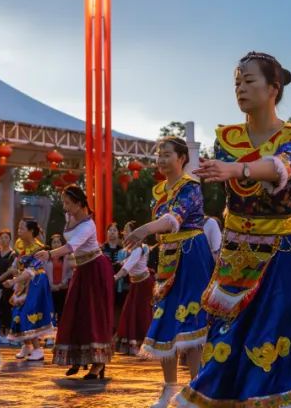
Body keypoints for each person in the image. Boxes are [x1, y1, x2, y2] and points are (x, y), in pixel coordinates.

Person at [186, 51, 291, 407]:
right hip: (235, 254)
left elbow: (281, 167)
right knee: (229, 339)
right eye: (236, 83)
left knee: (278, 335)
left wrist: (237, 170)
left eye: (249, 81)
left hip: (281, 253)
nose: (240, 89)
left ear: (273, 88)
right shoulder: (227, 138)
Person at [122, 137, 214, 408]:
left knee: (192, 321)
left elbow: (174, 219)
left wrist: (143, 230)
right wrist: (150, 232)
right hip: (168, 258)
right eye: (159, 155)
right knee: (164, 319)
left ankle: (197, 387)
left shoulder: (191, 187)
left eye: (167, 154)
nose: (161, 159)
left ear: (182, 158)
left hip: (192, 256)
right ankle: (168, 388)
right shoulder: (159, 189)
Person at [40, 185, 114, 380]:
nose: (65, 207)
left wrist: (49, 254)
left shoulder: (88, 225)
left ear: (80, 204)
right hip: (82, 269)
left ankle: (98, 362)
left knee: (94, 315)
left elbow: (72, 246)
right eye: (64, 202)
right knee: (76, 312)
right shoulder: (70, 218)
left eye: (68, 203)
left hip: (95, 269)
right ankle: (79, 357)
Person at [4, 219, 55, 362]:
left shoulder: (39, 249)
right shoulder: (19, 244)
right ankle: (27, 345)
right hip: (22, 281)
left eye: (22, 228)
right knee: (17, 313)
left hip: (36, 283)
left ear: (31, 231)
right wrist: (15, 273)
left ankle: (38, 349)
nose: (19, 230)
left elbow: (31, 271)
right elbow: (17, 263)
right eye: (18, 227)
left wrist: (14, 280)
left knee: (29, 312)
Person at [112, 243, 153, 356]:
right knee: (131, 312)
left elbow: (126, 268)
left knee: (142, 314)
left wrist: (114, 278)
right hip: (136, 284)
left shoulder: (139, 249)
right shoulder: (134, 250)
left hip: (143, 284)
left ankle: (145, 347)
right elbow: (125, 264)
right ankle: (135, 345)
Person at [0, 229, 16, 338]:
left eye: (6, 237)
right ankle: (0, 332)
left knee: (6, 307)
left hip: (7, 284)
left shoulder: (13, 254)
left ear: (10, 239)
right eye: (2, 237)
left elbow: (10, 271)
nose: (4, 240)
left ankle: (8, 331)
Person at [48, 234, 69, 320]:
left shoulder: (66, 257)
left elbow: (69, 273)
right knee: (51, 312)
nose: (56, 244)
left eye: (58, 242)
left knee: (62, 313)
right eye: (54, 242)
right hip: (51, 288)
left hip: (63, 288)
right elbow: (45, 274)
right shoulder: (47, 258)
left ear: (62, 244)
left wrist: (61, 284)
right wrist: (52, 286)